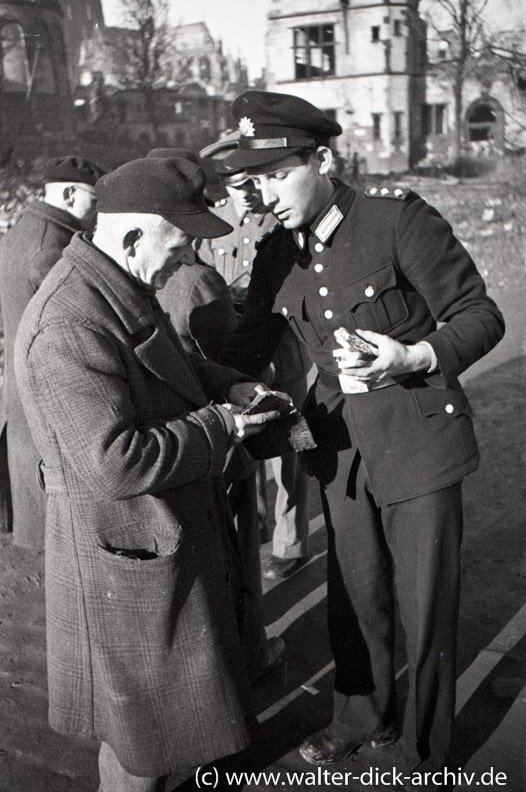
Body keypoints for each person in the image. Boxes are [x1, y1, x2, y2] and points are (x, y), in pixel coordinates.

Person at [220, 90, 505, 788]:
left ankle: (427, 749)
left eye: (280, 172)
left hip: (418, 441)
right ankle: (360, 719)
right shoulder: (274, 253)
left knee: (423, 604)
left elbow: (481, 315)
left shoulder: (395, 218)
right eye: (255, 179)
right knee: (356, 594)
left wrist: (412, 358)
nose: (268, 192)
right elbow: (244, 345)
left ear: (321, 158)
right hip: (340, 450)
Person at [14, 155, 282, 792]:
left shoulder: (120, 285)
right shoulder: (67, 323)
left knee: (163, 741)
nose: (190, 253)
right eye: (182, 239)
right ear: (134, 236)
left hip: (156, 541)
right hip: (125, 556)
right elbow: (116, 459)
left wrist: (230, 386)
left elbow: (167, 377)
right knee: (143, 757)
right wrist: (223, 426)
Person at [153, 149, 286, 682]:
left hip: (184, 446)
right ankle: (251, 655)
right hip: (222, 443)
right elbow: (236, 360)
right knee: (240, 558)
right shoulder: (198, 281)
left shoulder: (143, 278)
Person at [199, 135, 312, 579]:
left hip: (284, 357)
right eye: (234, 185)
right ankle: (259, 522)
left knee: (294, 448)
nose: (246, 194)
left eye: (252, 182)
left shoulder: (283, 223)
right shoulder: (211, 227)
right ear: (223, 185)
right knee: (245, 449)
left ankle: (291, 542)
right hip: (237, 361)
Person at [0, 155, 104, 548]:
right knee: (65, 536)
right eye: (92, 201)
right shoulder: (52, 247)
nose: (95, 213)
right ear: (70, 193)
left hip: (21, 392)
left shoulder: (26, 228)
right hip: (48, 400)